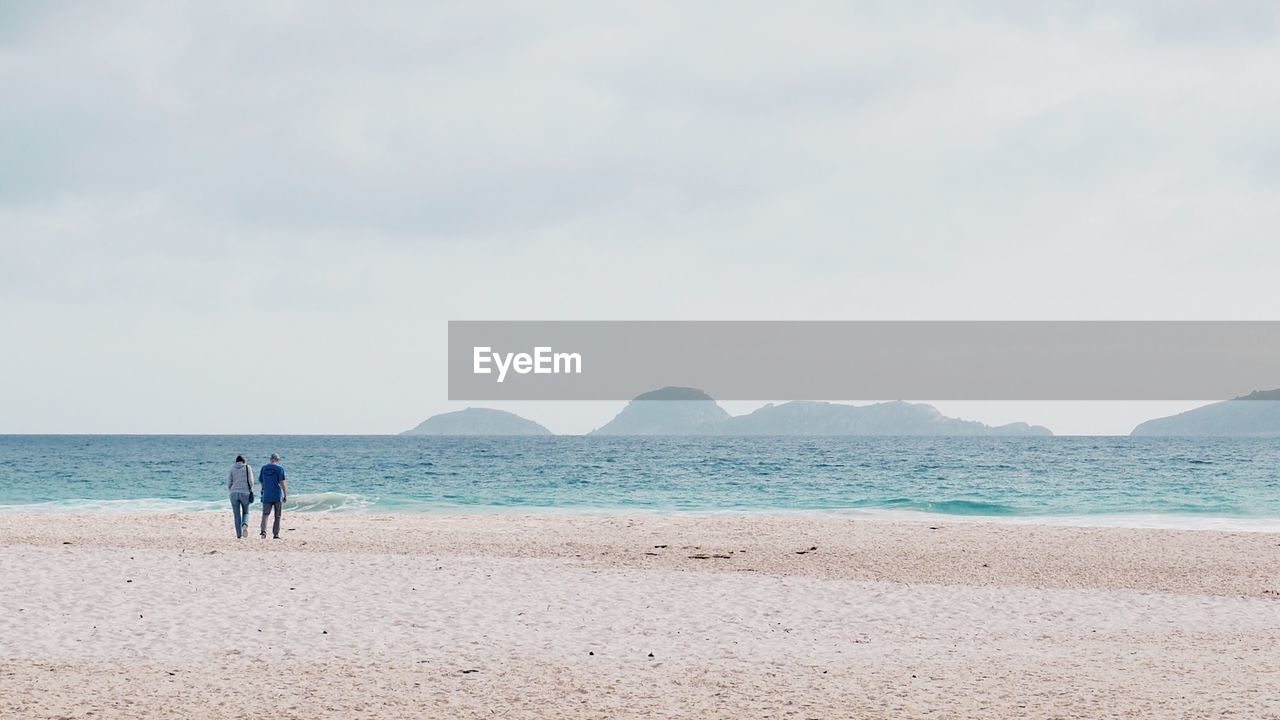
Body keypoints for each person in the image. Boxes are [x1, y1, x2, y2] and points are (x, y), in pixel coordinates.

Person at [258, 452, 288, 539]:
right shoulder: (280, 469)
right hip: (277, 494)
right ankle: (276, 534)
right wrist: (285, 494)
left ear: (270, 459)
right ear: (277, 460)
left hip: (267, 494)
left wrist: (263, 490)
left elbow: (261, 481)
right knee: (277, 515)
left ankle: (263, 532)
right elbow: (282, 482)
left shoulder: (263, 468)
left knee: (265, 514)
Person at [227, 455, 255, 539]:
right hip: (245, 492)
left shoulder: (232, 468)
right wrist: (251, 490)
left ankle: (238, 535)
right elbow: (251, 481)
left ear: (236, 461)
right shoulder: (247, 467)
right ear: (243, 461)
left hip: (234, 493)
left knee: (236, 515)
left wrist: (231, 489)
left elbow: (229, 482)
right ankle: (245, 525)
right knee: (246, 512)